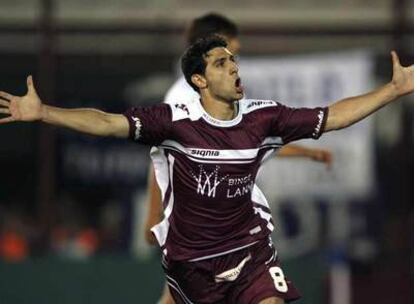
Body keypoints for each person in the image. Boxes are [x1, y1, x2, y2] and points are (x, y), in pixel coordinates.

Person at [1, 36, 412, 303]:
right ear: (199, 79)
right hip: (192, 264)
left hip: (250, 252)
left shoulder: (264, 117)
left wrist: (392, 90)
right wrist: (44, 113)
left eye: (233, 60)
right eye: (220, 63)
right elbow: (106, 122)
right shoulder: (173, 122)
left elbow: (332, 116)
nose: (234, 67)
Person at [149, 14, 331, 304]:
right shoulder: (182, 98)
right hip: (197, 230)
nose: (237, 47)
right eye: (230, 40)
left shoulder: (223, 92)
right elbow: (162, 158)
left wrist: (305, 152)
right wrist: (154, 215)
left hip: (224, 225)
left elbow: (247, 141)